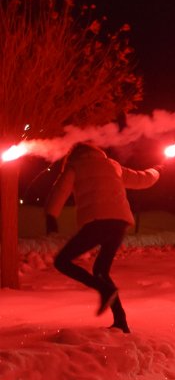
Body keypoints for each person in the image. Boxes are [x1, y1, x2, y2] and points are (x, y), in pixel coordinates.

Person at [44, 142, 161, 334]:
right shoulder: (112, 165)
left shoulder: (75, 166)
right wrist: (156, 171)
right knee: (101, 270)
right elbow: (141, 179)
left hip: (97, 221)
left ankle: (103, 290)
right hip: (120, 222)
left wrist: (51, 216)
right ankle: (121, 321)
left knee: (62, 261)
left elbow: (60, 190)